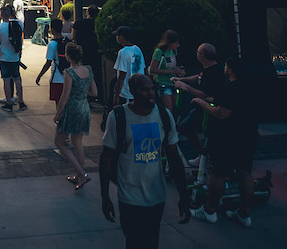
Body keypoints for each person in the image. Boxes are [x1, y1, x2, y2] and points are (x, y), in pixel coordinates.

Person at [100, 74, 190, 248]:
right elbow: (106, 158)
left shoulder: (164, 115)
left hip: (156, 195)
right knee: (134, 241)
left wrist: (183, 195)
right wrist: (105, 197)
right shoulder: (118, 116)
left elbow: (174, 157)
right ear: (132, 92)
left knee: (151, 241)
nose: (151, 94)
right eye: (145, 90)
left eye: (152, 89)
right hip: (129, 195)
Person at [189, 56, 259, 228]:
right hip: (249, 135)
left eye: (226, 66)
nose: (224, 68)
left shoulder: (231, 88)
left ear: (231, 69)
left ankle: (209, 211)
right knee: (245, 172)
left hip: (227, 138)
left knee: (217, 173)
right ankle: (245, 214)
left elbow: (221, 113)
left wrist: (200, 102)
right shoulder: (250, 87)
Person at [54, 43, 98, 189]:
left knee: (59, 142)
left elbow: (65, 96)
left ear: (67, 56)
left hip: (72, 108)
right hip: (84, 107)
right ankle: (79, 176)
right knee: (77, 142)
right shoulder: (89, 69)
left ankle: (83, 174)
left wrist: (58, 113)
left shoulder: (69, 72)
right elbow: (95, 93)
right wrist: (82, 93)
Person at [172, 43, 223, 162]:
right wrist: (181, 80)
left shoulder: (214, 72)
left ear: (202, 56)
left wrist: (185, 86)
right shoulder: (207, 69)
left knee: (192, 128)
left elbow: (205, 94)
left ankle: (206, 156)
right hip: (201, 107)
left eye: (198, 52)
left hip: (209, 109)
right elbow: (198, 77)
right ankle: (203, 155)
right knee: (186, 127)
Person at [0, 5, 26, 111]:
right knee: (17, 80)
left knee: (6, 81)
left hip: (4, 58)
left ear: (1, 15)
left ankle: (9, 103)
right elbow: (20, 40)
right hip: (15, 58)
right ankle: (21, 102)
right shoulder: (17, 25)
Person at [149, 29, 185, 116]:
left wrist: (179, 70)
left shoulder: (173, 51)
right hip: (162, 83)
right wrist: (172, 71)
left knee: (175, 108)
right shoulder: (159, 52)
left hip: (173, 82)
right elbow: (152, 69)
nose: (178, 45)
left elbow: (172, 66)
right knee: (168, 110)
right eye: (175, 43)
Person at [71, 5, 102, 103]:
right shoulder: (99, 23)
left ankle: (86, 95)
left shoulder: (79, 23)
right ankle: (97, 95)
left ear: (87, 13)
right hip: (95, 52)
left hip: (83, 52)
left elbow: (73, 37)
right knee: (96, 73)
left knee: (83, 74)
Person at [113, 25, 146, 106]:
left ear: (121, 37)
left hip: (126, 91)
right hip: (138, 89)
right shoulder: (137, 49)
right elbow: (143, 68)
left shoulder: (122, 52)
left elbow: (122, 75)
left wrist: (116, 95)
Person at [35, 18, 66, 105]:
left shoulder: (52, 44)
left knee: (58, 104)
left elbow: (48, 63)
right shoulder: (66, 42)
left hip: (56, 78)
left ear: (52, 29)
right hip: (67, 78)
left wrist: (40, 76)